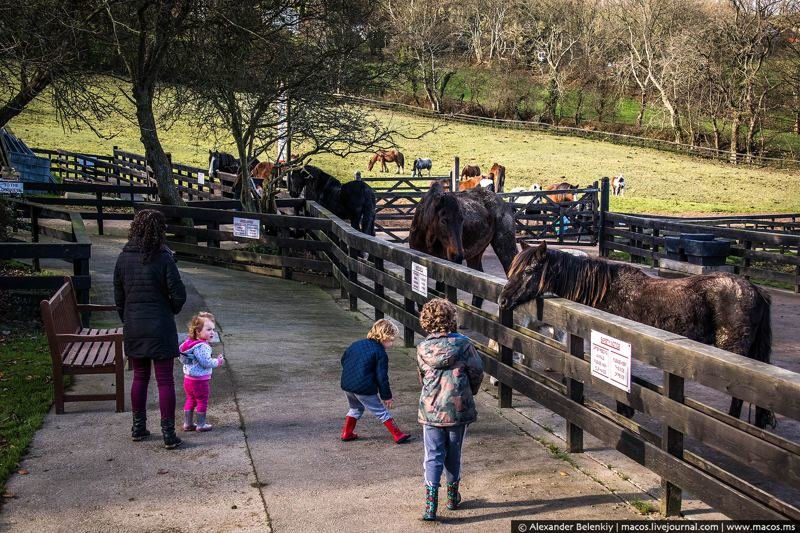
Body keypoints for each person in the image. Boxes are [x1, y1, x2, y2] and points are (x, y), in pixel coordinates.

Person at [114, 209, 187, 449]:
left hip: (134, 325)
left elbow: (119, 296)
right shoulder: (164, 258)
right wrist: (170, 310)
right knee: (165, 380)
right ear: (160, 231)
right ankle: (168, 433)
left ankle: (138, 427)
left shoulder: (123, 258)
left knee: (139, 377)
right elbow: (178, 294)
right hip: (160, 326)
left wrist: (128, 317)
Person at [416, 298, 484, 521]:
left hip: (431, 409)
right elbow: (477, 371)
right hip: (457, 407)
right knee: (454, 453)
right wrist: (469, 391)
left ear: (426, 321)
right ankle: (453, 498)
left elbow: (422, 377)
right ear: (451, 319)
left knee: (432, 455)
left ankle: (430, 506)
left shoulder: (423, 348)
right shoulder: (463, 344)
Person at [339, 319, 411, 444]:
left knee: (355, 408)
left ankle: (347, 433)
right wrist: (387, 396)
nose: (392, 344)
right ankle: (397, 435)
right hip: (364, 388)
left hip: (348, 385)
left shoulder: (356, 344)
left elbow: (343, 359)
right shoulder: (380, 353)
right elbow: (382, 377)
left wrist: (352, 373)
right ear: (384, 337)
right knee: (380, 411)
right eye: (391, 340)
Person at [179, 312, 225, 432]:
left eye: (213, 329)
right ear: (198, 331)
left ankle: (188, 424)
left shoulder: (189, 343)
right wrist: (218, 361)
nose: (212, 332)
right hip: (199, 381)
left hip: (188, 379)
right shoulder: (202, 346)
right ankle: (201, 424)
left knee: (190, 399)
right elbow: (206, 362)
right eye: (209, 329)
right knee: (202, 400)